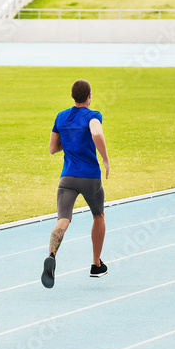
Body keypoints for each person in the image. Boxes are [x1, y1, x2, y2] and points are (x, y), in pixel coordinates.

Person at [41, 79, 110, 289]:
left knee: (63, 219)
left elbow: (53, 148)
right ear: (90, 96)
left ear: (72, 96)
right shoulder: (93, 115)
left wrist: (71, 141)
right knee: (98, 215)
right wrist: (105, 159)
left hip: (67, 177)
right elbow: (96, 132)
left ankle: (52, 255)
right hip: (89, 176)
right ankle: (96, 264)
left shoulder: (61, 117)